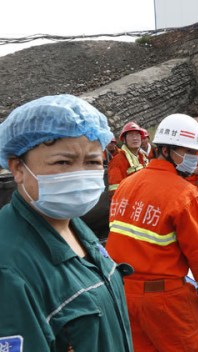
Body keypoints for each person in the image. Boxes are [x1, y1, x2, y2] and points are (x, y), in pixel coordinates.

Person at [0, 94, 133, 351]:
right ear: (17, 168)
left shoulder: (73, 226)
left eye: (93, 162)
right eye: (63, 162)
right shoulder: (9, 268)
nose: (80, 175)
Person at [106, 113, 198, 351]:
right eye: (188, 153)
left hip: (124, 296)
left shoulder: (126, 185)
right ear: (166, 150)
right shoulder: (184, 194)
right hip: (166, 300)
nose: (194, 159)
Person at [107, 121, 147, 194]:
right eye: (131, 135)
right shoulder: (117, 161)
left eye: (137, 135)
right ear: (124, 139)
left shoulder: (143, 157)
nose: (135, 138)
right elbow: (115, 190)